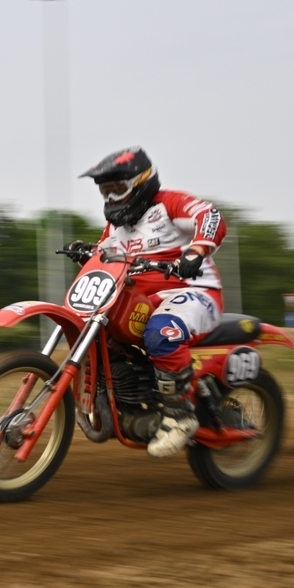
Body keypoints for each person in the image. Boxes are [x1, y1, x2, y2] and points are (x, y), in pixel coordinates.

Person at [72, 146, 227, 458]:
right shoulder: (116, 225)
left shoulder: (169, 203)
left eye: (118, 189)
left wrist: (196, 251)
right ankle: (125, 396)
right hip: (147, 299)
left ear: (141, 183)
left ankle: (180, 416)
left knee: (160, 333)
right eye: (105, 191)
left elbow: (209, 216)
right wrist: (86, 252)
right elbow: (104, 253)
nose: (111, 198)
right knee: (99, 330)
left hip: (194, 292)